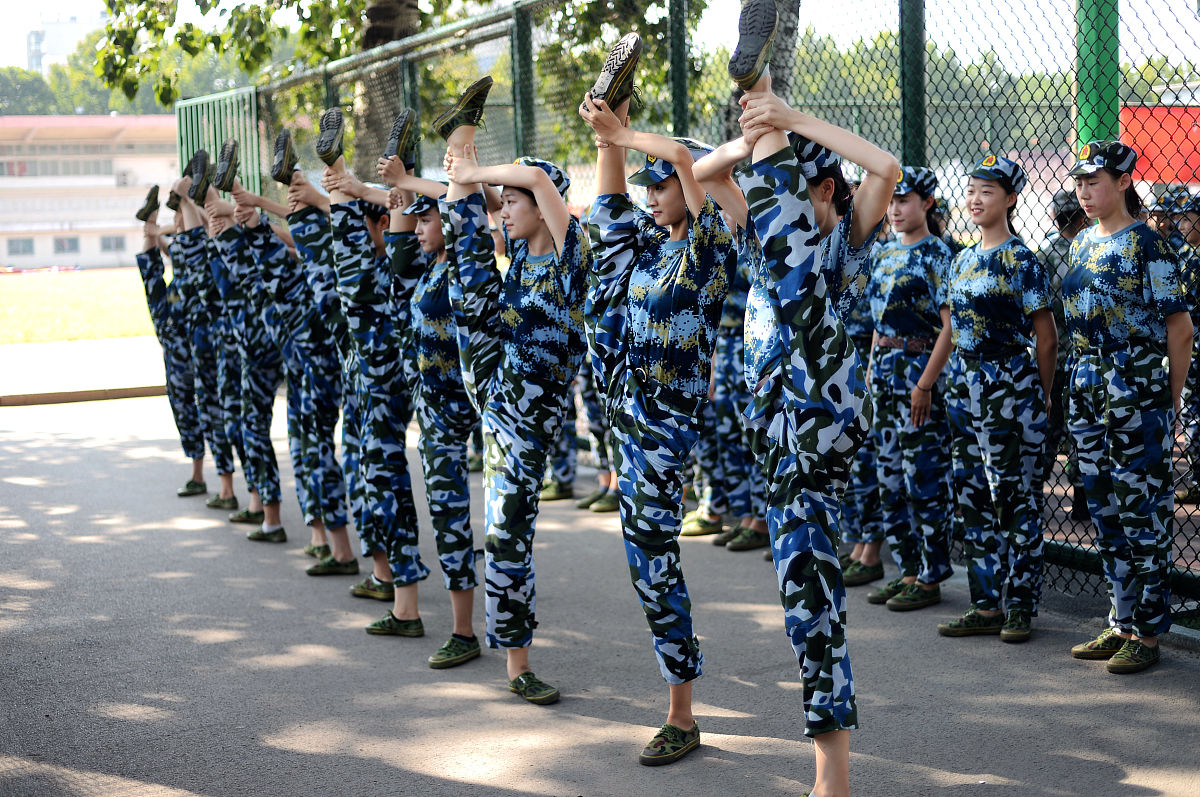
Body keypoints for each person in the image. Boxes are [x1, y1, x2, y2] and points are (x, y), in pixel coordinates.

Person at [702, 2, 897, 789]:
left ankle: (834, 777)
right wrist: (756, 131)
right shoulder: (761, 241)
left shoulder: (842, 247)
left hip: (820, 428)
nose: (815, 199)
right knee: (800, 597)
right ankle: (760, 81)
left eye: (817, 187)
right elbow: (707, 173)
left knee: (811, 599)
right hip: (774, 435)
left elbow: (883, 167)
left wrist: (785, 115)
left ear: (827, 194)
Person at [580, 30, 737, 765]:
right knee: (645, 553)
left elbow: (681, 156)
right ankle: (681, 695)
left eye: (661, 185)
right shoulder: (644, 248)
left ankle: (682, 708)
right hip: (624, 412)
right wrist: (608, 125)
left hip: (667, 420)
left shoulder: (705, 253)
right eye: (645, 184)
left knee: (651, 550)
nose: (651, 192)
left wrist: (631, 133)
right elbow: (610, 205)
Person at [441, 76, 589, 704]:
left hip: (525, 415)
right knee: (468, 251)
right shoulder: (522, 256)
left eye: (513, 200)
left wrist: (479, 172)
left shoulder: (569, 252)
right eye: (500, 200)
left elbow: (543, 190)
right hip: (495, 377)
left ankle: (515, 661)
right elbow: (478, 212)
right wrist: (462, 172)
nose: (505, 207)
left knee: (508, 532)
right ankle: (460, 131)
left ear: (539, 198)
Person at [1063, 140, 1192, 673]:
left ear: (1122, 182)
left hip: (1135, 383)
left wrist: (1172, 397)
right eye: (1080, 182)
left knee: (1142, 508)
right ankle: (1121, 621)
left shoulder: (1149, 246)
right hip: (1088, 379)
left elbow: (1179, 328)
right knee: (1103, 505)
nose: (1086, 192)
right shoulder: (1080, 245)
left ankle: (1150, 632)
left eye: (1096, 181)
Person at [932, 155, 1056, 642]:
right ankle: (986, 604)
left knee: (1015, 498)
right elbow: (952, 329)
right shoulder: (960, 259)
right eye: (971, 190)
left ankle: (1021, 604)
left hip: (1009, 387)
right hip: (964, 389)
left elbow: (1045, 338)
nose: (976, 199)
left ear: (1010, 200)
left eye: (987, 191)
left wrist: (1041, 395)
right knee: (973, 497)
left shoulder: (1023, 261)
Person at [857, 167, 955, 604]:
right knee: (890, 479)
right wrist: (870, 373)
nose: (895, 209)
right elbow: (877, 327)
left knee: (923, 478)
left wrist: (925, 384)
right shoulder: (881, 253)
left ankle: (931, 577)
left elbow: (948, 329)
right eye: (892, 201)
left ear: (927, 203)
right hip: (884, 375)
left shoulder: (939, 255)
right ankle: (909, 569)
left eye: (905, 200)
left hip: (920, 375)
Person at [133, 192, 207, 496]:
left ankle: (201, 473)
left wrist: (162, 231)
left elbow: (192, 240)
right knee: (150, 273)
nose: (175, 217)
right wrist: (155, 233)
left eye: (178, 213)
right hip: (173, 313)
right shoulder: (180, 237)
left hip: (188, 323)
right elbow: (173, 255)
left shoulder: (196, 233)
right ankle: (147, 217)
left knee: (192, 403)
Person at [1036, 190, 1090, 520]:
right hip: (1083, 354)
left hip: (1053, 354)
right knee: (1081, 428)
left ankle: (1035, 490)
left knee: (1050, 427)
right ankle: (1083, 496)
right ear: (1081, 217)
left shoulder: (1045, 253)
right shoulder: (1089, 250)